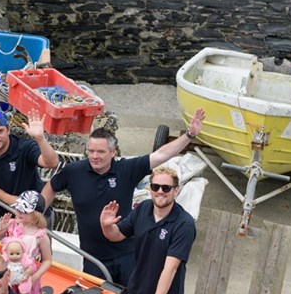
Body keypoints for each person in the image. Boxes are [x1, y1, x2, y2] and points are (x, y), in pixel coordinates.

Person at [42, 107, 204, 284]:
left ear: (113, 152)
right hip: (93, 257)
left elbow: (161, 155)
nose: (95, 156)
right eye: (91, 151)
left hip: (127, 254)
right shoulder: (73, 171)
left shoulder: (126, 169)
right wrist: (38, 213)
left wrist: (189, 134)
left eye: (101, 152)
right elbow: (51, 187)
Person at [100, 166, 197, 294]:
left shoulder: (184, 224)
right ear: (150, 188)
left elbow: (170, 268)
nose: (160, 191)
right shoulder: (143, 208)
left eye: (166, 188)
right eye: (155, 186)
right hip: (135, 292)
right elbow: (117, 235)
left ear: (175, 191)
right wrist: (106, 226)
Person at [0, 110, 59, 207]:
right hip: (5, 209)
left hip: (33, 209)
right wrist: (9, 198)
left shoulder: (24, 147)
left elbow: (52, 163)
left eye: (0, 131)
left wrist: (40, 138)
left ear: (8, 130)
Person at [0, 191, 52, 294]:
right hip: (7, 271)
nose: (19, 212)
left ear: (36, 214)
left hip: (27, 273)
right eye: (18, 208)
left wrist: (35, 277)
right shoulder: (12, 224)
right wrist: (0, 228)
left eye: (24, 211)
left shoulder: (41, 236)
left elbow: (47, 260)